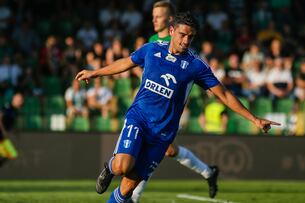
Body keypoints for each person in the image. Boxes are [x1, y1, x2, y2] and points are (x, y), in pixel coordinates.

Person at [75, 12, 280, 203]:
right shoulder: (152, 49)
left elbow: (224, 94)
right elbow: (126, 62)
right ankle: (109, 167)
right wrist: (96, 73)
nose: (185, 41)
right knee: (122, 166)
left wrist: (254, 119)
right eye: (182, 34)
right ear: (172, 30)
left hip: (163, 133)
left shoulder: (196, 65)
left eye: (190, 37)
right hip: (139, 119)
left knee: (127, 190)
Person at [134, 2, 222, 202]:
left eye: (159, 16)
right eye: (153, 15)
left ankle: (134, 196)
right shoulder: (153, 41)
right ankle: (208, 172)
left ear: (170, 20)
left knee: (154, 149)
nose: (154, 19)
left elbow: (189, 75)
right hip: (151, 105)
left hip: (170, 108)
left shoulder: (183, 41)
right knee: (169, 149)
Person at [0, 92, 23, 167]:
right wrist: (3, 131)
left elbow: (11, 123)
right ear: (13, 99)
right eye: (17, 99)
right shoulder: (8, 107)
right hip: (1, 135)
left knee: (12, 154)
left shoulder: (15, 111)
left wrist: (14, 131)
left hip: (2, 137)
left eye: (20, 100)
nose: (19, 101)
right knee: (10, 154)